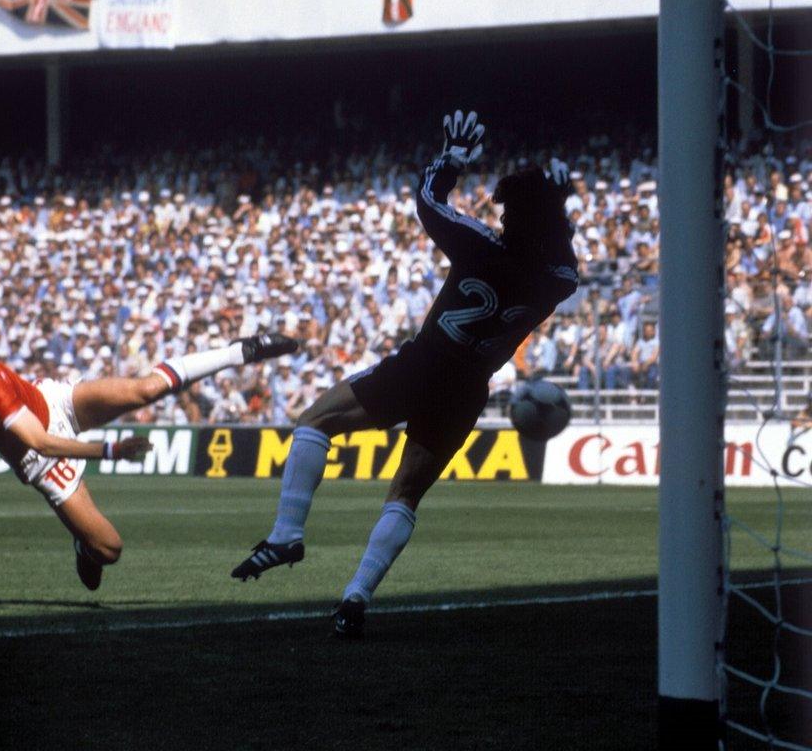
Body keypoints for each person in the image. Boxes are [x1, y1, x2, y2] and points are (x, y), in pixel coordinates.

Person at [230, 111, 579, 636]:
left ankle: (286, 534)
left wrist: (453, 157)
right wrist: (558, 206)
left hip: (425, 363)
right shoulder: (558, 280)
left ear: (511, 219)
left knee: (315, 420)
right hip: (467, 390)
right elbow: (561, 247)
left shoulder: (480, 245)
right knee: (405, 496)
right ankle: (354, 599)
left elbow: (429, 202)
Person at [0, 279, 296, 591]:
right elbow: (40, 443)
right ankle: (83, 545)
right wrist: (111, 450)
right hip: (41, 455)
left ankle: (244, 349)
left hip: (47, 401)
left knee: (145, 388)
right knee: (109, 550)